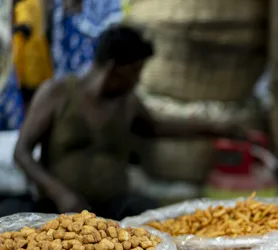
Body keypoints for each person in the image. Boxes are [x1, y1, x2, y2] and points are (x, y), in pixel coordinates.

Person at [11, 25, 242, 220]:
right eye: (135, 71)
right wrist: (60, 193)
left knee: (153, 216)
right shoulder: (57, 94)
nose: (137, 80)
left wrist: (215, 128)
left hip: (114, 207)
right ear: (114, 69)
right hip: (58, 207)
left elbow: (158, 127)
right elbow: (21, 153)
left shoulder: (128, 103)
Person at [12, 0, 53, 109]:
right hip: (34, 59)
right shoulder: (35, 2)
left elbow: (26, 28)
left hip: (30, 62)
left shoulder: (27, 4)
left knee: (30, 99)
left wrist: (10, 30)